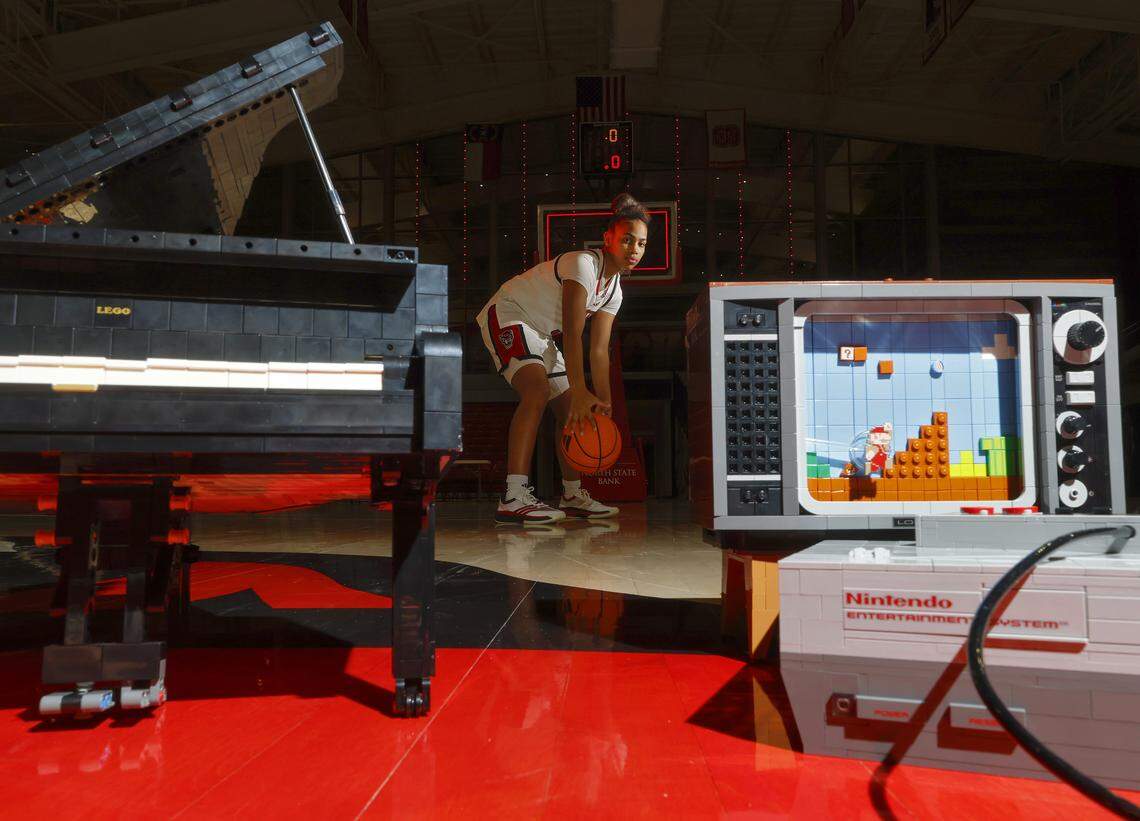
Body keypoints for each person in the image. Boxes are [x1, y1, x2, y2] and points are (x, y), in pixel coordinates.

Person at [476, 193, 649, 524]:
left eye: (641, 243)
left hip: (540, 333)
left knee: (573, 410)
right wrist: (581, 389)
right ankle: (513, 495)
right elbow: (572, 333)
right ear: (608, 238)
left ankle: (571, 493)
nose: (634, 249)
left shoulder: (615, 292)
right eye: (627, 240)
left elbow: (599, 350)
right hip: (510, 313)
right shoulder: (583, 263)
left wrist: (604, 400)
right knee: (537, 391)